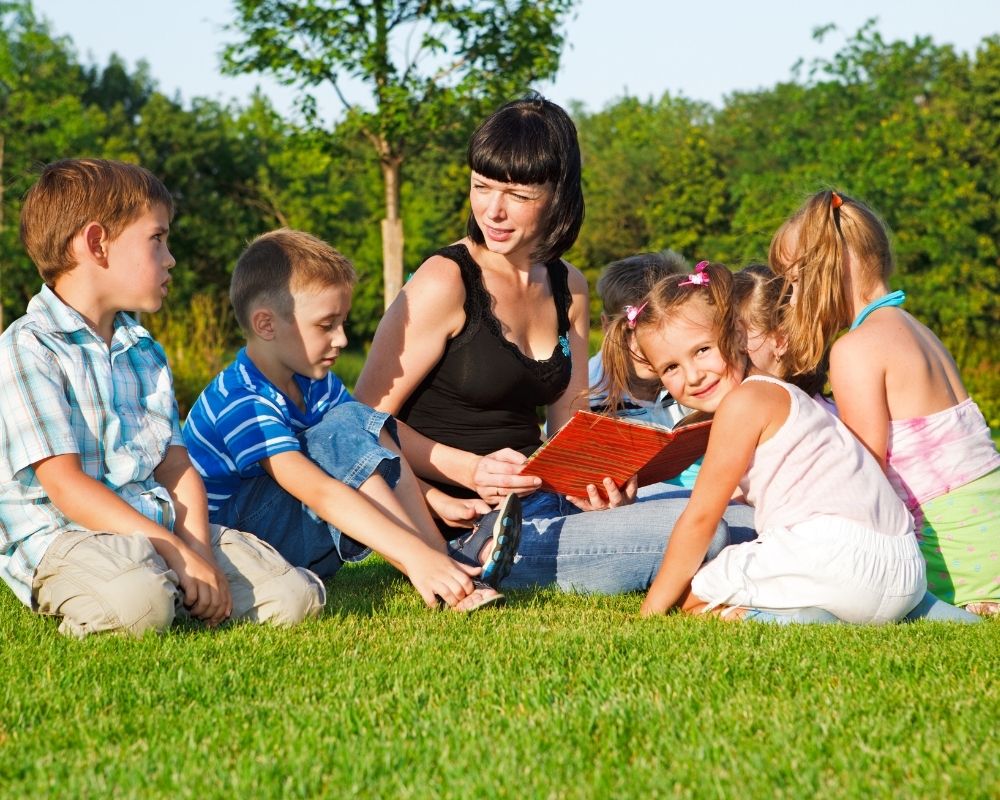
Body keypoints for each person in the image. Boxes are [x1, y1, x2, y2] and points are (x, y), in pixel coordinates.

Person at [354, 94, 755, 594]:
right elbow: (360, 422)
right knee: (710, 531)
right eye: (482, 187)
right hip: (470, 524)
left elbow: (568, 431)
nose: (493, 211)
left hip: (542, 498)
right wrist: (470, 469)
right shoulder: (445, 281)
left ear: (558, 195)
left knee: (743, 515)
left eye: (518, 196)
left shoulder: (570, 286)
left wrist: (597, 482)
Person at [0, 158, 324, 638]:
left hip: (156, 527)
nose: (170, 258)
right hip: (66, 535)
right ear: (96, 243)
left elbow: (174, 465)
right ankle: (149, 594)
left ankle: (175, 590)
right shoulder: (27, 348)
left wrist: (198, 552)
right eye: (157, 239)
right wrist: (175, 554)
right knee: (141, 606)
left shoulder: (143, 350)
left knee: (295, 598)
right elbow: (65, 486)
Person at [182, 229, 520, 612]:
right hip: (236, 540)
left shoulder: (314, 382)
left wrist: (433, 498)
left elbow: (364, 446)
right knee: (343, 427)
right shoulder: (240, 398)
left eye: (342, 323)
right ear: (266, 325)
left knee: (356, 419)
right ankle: (430, 565)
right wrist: (414, 555)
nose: (342, 339)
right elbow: (318, 490)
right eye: (327, 325)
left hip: (284, 525)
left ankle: (443, 559)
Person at [601, 261, 927, 622]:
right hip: (905, 567)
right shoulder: (785, 397)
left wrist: (648, 613)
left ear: (737, 336)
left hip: (838, 559)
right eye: (671, 368)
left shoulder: (743, 404)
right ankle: (920, 613)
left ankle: (793, 620)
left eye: (702, 350)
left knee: (690, 596)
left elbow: (700, 518)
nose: (692, 376)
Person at [769, 190, 999, 616]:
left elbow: (862, 479)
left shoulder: (856, 349)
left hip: (961, 567)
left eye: (796, 280)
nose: (793, 297)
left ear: (831, 268)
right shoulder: (916, 329)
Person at [589, 250, 700, 489]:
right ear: (606, 326)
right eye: (630, 331)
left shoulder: (698, 374)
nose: (643, 345)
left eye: (657, 329)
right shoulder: (586, 387)